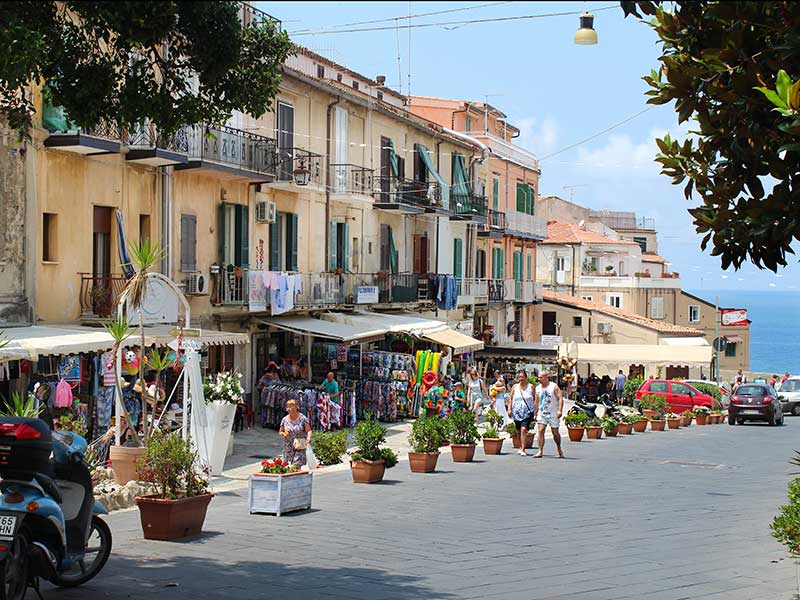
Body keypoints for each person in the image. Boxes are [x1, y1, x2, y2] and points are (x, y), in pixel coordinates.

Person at [534, 371, 564, 459]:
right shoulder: (538, 388)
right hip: (542, 412)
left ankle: (559, 448)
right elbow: (536, 401)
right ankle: (540, 451)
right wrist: (535, 413)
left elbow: (560, 398)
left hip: (553, 413)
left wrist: (560, 410)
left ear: (546, 377)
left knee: (555, 433)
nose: (539, 379)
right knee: (541, 430)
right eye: (539, 377)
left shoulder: (553, 386)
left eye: (541, 377)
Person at [507, 370, 536, 456]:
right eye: (519, 377)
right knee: (518, 430)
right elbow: (511, 398)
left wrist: (535, 411)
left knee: (524, 429)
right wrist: (509, 409)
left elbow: (535, 399)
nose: (521, 379)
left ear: (526, 377)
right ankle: (520, 446)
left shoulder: (531, 387)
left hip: (527, 412)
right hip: (516, 412)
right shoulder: (515, 387)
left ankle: (523, 448)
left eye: (522, 377)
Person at [279, 399, 312, 467]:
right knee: (288, 466)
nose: (289, 409)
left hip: (299, 445)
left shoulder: (302, 418)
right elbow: (280, 431)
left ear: (297, 407)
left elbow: (309, 430)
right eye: (288, 407)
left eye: (291, 406)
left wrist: (309, 438)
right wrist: (283, 433)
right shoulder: (284, 419)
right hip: (288, 446)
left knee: (297, 465)